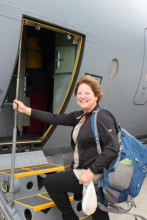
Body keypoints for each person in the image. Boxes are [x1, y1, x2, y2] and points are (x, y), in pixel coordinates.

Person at [13, 75, 118, 220]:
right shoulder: (79, 116)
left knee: (51, 183)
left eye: (87, 93)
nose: (82, 97)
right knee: (97, 209)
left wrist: (91, 171)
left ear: (96, 96)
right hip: (84, 171)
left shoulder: (102, 117)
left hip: (94, 174)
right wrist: (26, 110)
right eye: (79, 93)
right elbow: (54, 118)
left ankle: (70, 218)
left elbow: (112, 149)